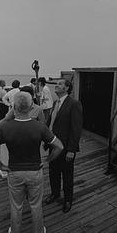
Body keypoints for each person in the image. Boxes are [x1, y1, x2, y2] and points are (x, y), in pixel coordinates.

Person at [0, 92, 63, 233]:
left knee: (16, 206)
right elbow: (59, 146)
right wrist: (48, 160)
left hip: (14, 172)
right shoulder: (40, 126)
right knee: (35, 205)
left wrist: (1, 166)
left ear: (13, 107)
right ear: (31, 107)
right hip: (35, 172)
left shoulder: (5, 127)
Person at [45, 79, 83, 213]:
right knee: (53, 172)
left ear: (67, 88)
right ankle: (55, 194)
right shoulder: (56, 102)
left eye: (60, 84)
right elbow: (51, 124)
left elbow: (76, 129)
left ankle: (68, 200)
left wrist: (71, 150)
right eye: (57, 84)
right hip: (53, 146)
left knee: (67, 175)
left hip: (66, 147)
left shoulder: (74, 104)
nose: (57, 85)